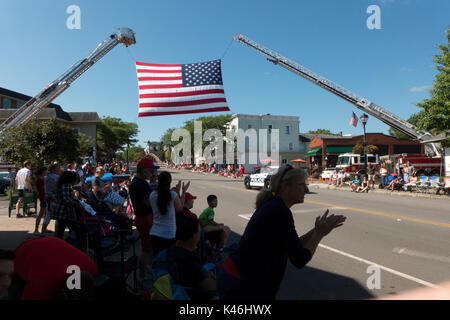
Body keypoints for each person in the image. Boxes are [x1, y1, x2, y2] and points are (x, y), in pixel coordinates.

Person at [217, 164, 346, 300]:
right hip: (242, 286)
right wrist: (319, 234)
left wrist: (316, 230)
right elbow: (300, 259)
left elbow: (293, 247)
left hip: (241, 281)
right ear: (285, 187)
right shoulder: (279, 211)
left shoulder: (275, 206)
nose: (307, 190)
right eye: (302, 185)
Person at [10, 237, 97, 300]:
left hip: (51, 245)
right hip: (23, 254)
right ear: (63, 291)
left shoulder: (92, 268)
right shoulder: (42, 285)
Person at [162, 216, 217, 300]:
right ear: (194, 236)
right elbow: (211, 287)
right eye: (199, 231)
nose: (200, 234)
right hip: (189, 294)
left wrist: (204, 272)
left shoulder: (170, 250)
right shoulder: (189, 260)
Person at [128, 157, 159, 280]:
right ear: (144, 170)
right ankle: (142, 277)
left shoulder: (140, 183)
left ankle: (147, 271)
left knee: (150, 248)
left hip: (145, 217)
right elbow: (149, 203)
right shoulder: (139, 184)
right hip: (145, 218)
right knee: (147, 250)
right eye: (151, 170)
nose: (152, 173)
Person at [150, 171, 189, 257]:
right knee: (168, 262)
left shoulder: (152, 194)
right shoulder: (172, 194)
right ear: (169, 182)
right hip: (168, 234)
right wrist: (183, 191)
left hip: (154, 233)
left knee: (157, 260)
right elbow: (180, 208)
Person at [50, 171, 81, 243]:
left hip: (60, 211)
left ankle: (58, 243)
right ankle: (62, 243)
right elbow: (66, 200)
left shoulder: (61, 185)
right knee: (73, 228)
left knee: (61, 229)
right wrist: (77, 203)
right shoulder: (66, 186)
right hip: (64, 211)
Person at [42, 164, 61, 235]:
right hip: (55, 198)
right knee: (58, 216)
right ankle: (57, 234)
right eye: (57, 169)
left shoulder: (45, 177)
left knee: (48, 215)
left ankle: (42, 232)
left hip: (48, 198)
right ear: (53, 170)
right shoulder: (57, 177)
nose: (59, 170)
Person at [33, 167, 48, 236]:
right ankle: (36, 229)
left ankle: (44, 228)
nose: (47, 172)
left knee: (45, 213)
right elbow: (42, 189)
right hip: (42, 197)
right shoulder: (40, 179)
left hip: (44, 197)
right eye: (46, 171)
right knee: (41, 214)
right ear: (42, 172)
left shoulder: (41, 179)